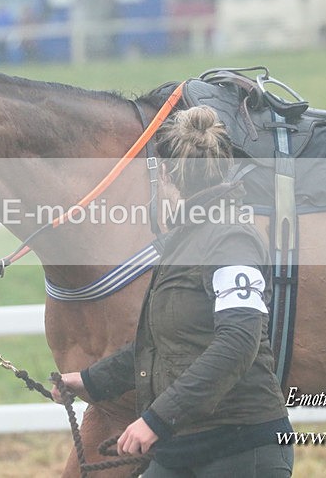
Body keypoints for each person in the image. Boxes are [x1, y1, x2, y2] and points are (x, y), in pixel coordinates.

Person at [52, 105, 294, 477]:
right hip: (181, 449)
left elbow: (239, 342)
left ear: (164, 174)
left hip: (242, 451)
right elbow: (161, 343)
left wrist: (156, 419)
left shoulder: (231, 240)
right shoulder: (185, 241)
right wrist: (89, 381)